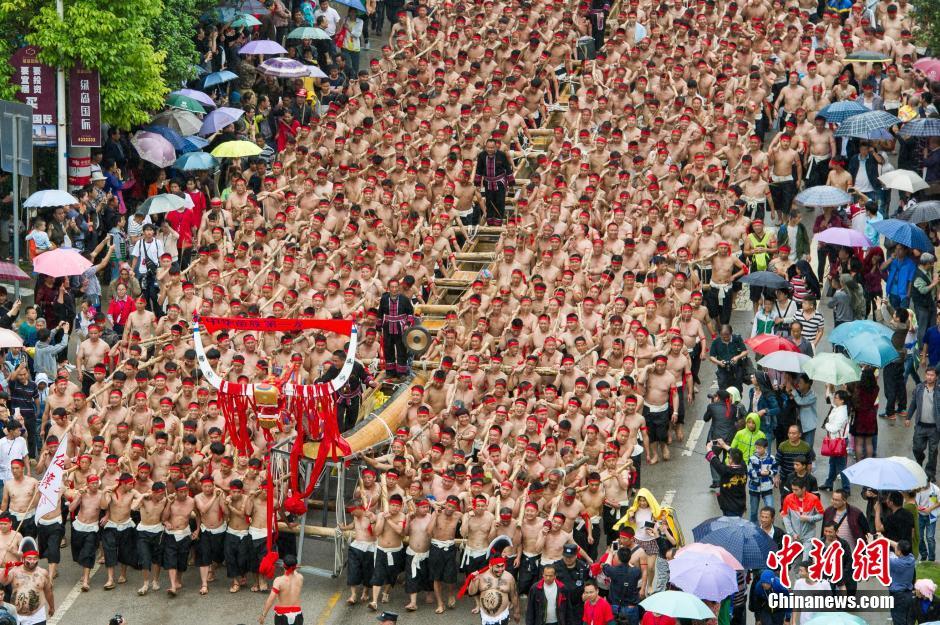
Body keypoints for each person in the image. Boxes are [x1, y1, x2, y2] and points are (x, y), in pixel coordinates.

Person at [0, 541, 54, 625]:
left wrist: (52, 607)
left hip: (37, 615)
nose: (32, 561)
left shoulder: (43, 573)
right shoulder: (15, 571)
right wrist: (6, 570)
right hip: (18, 616)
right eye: (29, 558)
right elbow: (3, 582)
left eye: (35, 558)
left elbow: (48, 591)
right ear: (23, 559)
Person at [909, 366, 940, 482]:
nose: (929, 377)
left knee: (933, 452)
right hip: (920, 426)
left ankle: (930, 473)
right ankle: (919, 461)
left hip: (934, 428)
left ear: (936, 377)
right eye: (928, 374)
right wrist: (908, 417)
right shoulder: (919, 388)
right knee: (917, 448)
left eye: (932, 375)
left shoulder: (938, 391)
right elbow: (913, 404)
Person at [474, 139, 514, 226]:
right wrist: (477, 183)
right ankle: (490, 222)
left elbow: (508, 168)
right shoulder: (481, 155)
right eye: (488, 148)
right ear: (485, 147)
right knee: (489, 202)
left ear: (496, 147)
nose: (490, 150)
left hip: (500, 183)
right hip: (488, 183)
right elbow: (479, 170)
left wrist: (511, 183)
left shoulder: (502, 155)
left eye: (492, 148)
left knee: (500, 202)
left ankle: (498, 222)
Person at [259, 554, 304, 625]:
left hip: (282, 615)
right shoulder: (300, 578)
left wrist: (263, 615)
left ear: (283, 565)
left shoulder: (279, 581)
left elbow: (271, 599)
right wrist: (294, 567)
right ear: (295, 566)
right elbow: (294, 572)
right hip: (297, 614)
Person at [780, 477, 824, 550]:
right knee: (794, 559)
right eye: (792, 489)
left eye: (796, 490)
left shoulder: (814, 499)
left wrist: (809, 518)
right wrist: (792, 533)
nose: (794, 492)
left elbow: (821, 515)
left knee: (805, 560)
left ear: (803, 489)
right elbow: (785, 517)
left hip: (809, 535)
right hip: (794, 536)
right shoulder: (788, 498)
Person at [821, 390, 851, 493]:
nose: (834, 399)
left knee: (841, 466)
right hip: (835, 441)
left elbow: (835, 428)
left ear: (842, 400)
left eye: (836, 398)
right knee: (833, 463)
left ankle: (846, 488)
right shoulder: (839, 407)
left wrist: (826, 425)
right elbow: (831, 401)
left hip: (838, 442)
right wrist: (828, 388)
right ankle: (829, 483)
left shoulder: (842, 412)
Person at [708, 325, 750, 392]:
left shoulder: (737, 339)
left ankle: (736, 401)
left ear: (731, 333)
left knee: (738, 388)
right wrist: (719, 362)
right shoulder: (716, 342)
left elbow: (745, 352)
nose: (725, 338)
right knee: (723, 388)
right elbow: (711, 357)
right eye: (723, 337)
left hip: (737, 368)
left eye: (727, 337)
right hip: (722, 369)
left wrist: (737, 357)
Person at [746, 439, 777, 524]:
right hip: (754, 488)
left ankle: (770, 527)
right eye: (756, 448)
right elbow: (750, 472)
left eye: (759, 448)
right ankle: (753, 527)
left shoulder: (771, 458)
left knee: (770, 508)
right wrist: (760, 473)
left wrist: (769, 472)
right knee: (753, 511)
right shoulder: (752, 459)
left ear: (765, 448)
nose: (757, 450)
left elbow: (775, 470)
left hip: (767, 487)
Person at [887, 538, 916, 625]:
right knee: (908, 620)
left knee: (898, 620)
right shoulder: (911, 558)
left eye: (896, 548)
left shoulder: (895, 563)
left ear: (899, 552)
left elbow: (878, 557)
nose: (895, 548)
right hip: (909, 594)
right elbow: (897, 545)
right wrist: (883, 539)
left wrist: (871, 543)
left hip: (898, 596)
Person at [916, 482, 940, 562]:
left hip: (931, 515)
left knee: (930, 537)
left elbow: (939, 502)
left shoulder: (935, 490)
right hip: (920, 515)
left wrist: (930, 509)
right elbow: (913, 500)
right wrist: (918, 508)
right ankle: (924, 555)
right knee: (919, 537)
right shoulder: (917, 488)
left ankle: (931, 559)